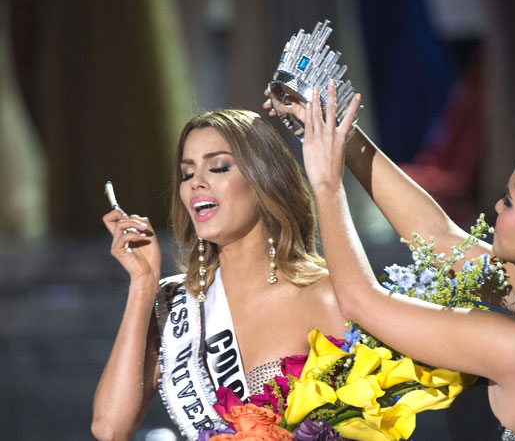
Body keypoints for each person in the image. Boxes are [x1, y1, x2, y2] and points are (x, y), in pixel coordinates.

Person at [265, 81, 515, 440]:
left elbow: (363, 304)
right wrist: (339, 132)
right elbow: (435, 235)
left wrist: (325, 182)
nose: (495, 205)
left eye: (509, 202)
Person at [91, 109, 347, 440]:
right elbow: (109, 429)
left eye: (219, 167)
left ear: (264, 179)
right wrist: (143, 283)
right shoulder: (173, 306)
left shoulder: (324, 294)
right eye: (187, 173)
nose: (196, 182)